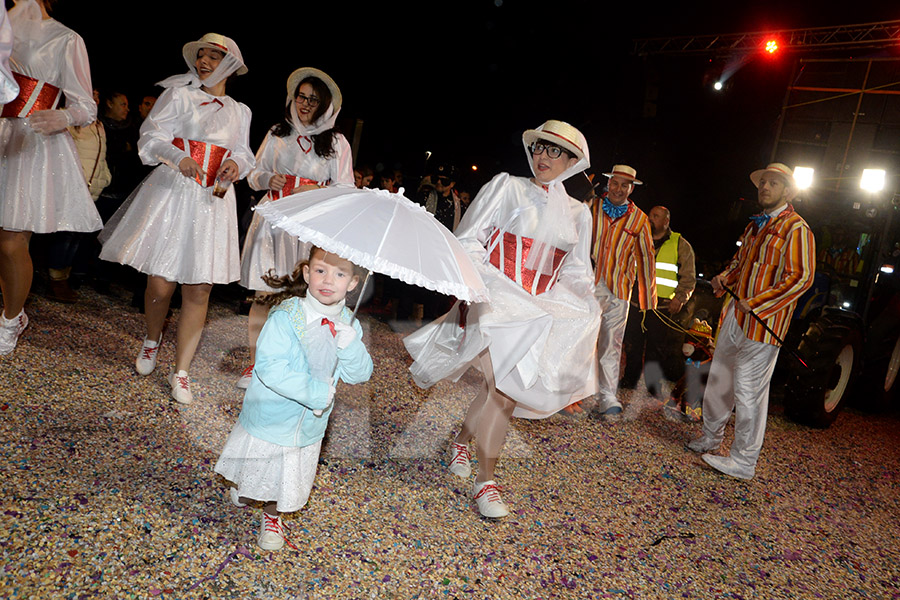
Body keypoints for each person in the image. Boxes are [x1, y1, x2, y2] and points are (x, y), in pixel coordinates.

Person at [404, 120, 601, 518]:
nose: (543, 157)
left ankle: (461, 441)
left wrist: (581, 303)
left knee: (500, 390)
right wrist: (485, 286)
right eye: (540, 148)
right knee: (505, 392)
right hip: (497, 301)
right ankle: (485, 483)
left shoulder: (580, 214)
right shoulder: (507, 186)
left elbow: (577, 271)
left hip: (537, 310)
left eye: (555, 151)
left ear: (572, 161)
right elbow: (469, 237)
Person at [99, 33, 253, 404]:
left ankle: (181, 370)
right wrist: (178, 157)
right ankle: (153, 339)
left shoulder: (240, 110)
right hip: (175, 191)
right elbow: (149, 137)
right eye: (200, 55)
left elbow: (246, 153)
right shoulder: (179, 95)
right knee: (161, 284)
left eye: (213, 56)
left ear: (229, 63)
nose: (203, 62)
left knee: (200, 287)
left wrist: (236, 164)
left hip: (213, 200)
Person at [215, 247, 373, 551]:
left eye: (340, 274)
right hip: (270, 415)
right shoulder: (287, 316)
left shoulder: (349, 325)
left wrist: (351, 346)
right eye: (320, 270)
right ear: (306, 272)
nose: (328, 280)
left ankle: (272, 516)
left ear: (353, 283)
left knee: (284, 475)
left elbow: (359, 375)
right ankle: (245, 487)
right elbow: (270, 368)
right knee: (258, 462)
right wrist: (315, 393)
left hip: (307, 428)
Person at [687, 163, 815, 480]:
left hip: (762, 324)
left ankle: (743, 461)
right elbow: (740, 264)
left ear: (788, 191)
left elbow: (801, 277)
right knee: (720, 378)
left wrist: (757, 303)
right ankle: (711, 438)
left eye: (774, 183)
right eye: (763, 183)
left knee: (748, 391)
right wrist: (722, 278)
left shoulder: (796, 229)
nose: (766, 187)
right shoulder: (755, 226)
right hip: (735, 315)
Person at [237, 67, 353, 389]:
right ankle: (256, 365)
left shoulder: (338, 143)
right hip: (272, 222)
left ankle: (294, 367)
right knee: (264, 295)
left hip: (309, 228)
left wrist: (314, 191)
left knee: (303, 300)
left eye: (313, 100)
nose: (304, 104)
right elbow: (253, 172)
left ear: (326, 105)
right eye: (301, 97)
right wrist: (265, 179)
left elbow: (345, 189)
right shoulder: (278, 131)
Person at [0, 0, 102, 354]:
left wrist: (65, 116)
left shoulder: (65, 38)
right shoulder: (3, 26)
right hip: (0, 132)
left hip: (31, 139)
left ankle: (12, 319)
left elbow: (86, 105)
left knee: (12, 240)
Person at [589, 165, 656, 417]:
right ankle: (574, 393)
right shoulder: (591, 207)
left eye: (624, 185)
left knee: (612, 343)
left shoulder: (639, 218)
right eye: (615, 183)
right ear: (608, 184)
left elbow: (646, 258)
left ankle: (607, 394)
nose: (618, 189)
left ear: (631, 188)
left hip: (619, 290)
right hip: (587, 285)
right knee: (582, 339)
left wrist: (647, 299)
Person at [621, 205, 696, 395]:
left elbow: (688, 277)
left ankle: (651, 386)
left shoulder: (680, 244)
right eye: (650, 215)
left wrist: (680, 298)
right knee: (632, 344)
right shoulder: (638, 240)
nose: (650, 218)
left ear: (666, 221)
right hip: (635, 303)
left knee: (656, 348)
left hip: (661, 307)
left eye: (655, 216)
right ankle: (629, 381)